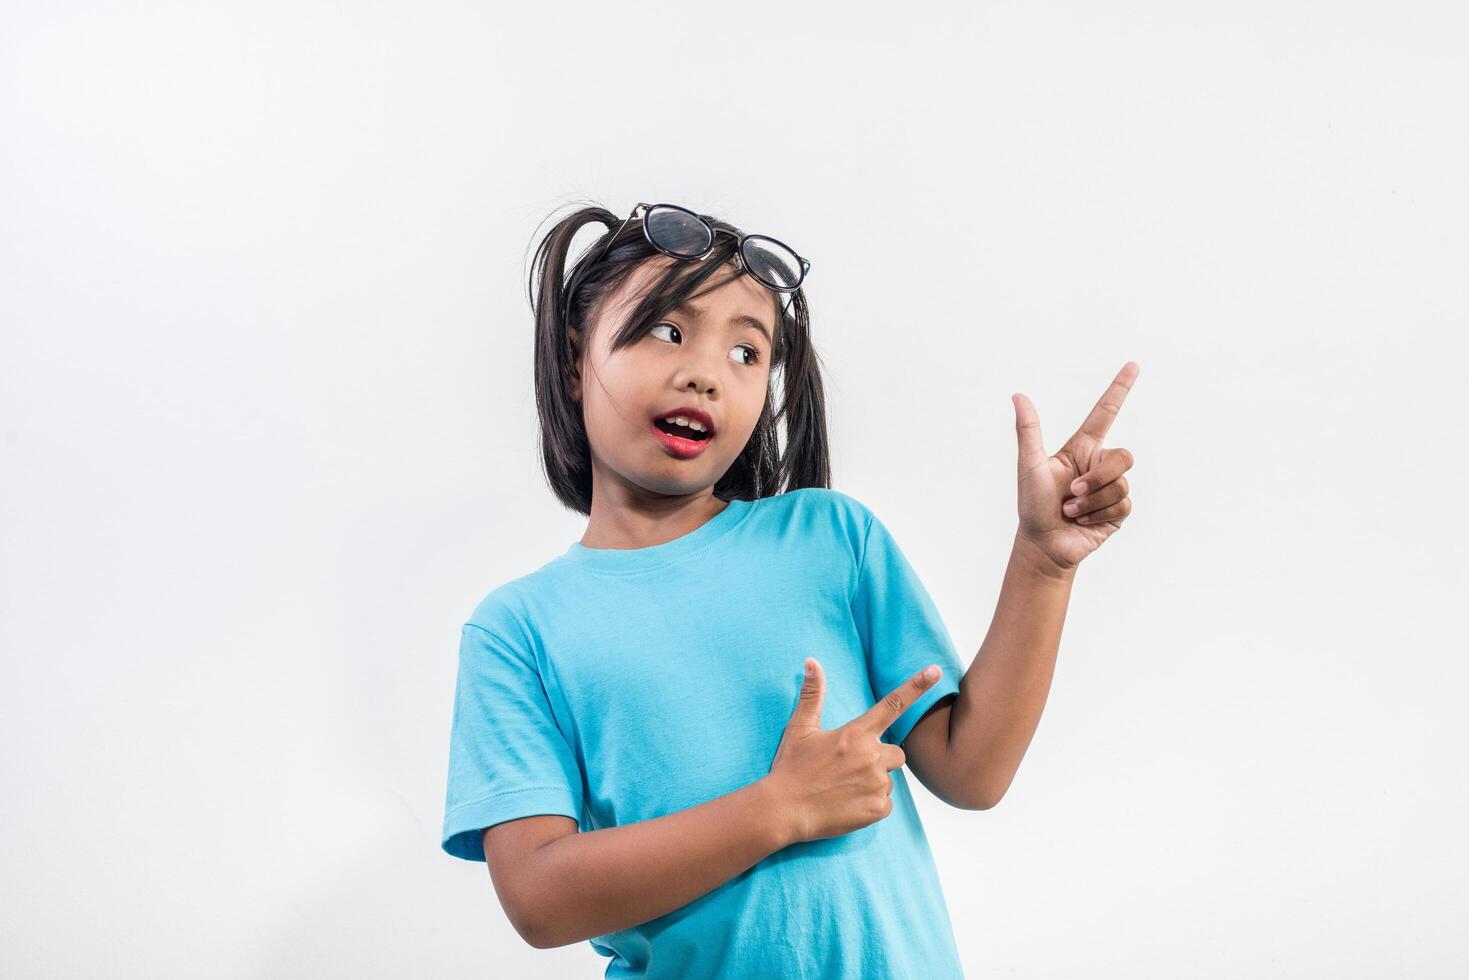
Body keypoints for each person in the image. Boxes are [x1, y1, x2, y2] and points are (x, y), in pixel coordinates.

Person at [441, 201, 1140, 978]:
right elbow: (538, 900)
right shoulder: (518, 630)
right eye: (667, 332)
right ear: (576, 359)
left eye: (746, 353)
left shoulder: (828, 538)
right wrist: (778, 810)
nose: (706, 374)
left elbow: (971, 771)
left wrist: (1043, 563)